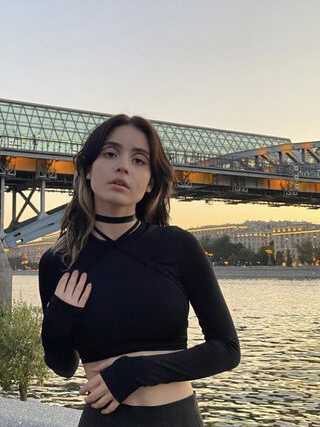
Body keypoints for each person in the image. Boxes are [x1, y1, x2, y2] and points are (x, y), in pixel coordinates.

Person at [39, 114, 241, 426]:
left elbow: (226, 349)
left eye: (138, 160)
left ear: (150, 183)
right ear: (88, 169)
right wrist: (57, 320)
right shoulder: (59, 261)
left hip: (176, 419)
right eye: (110, 153)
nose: (123, 166)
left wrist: (134, 372)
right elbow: (63, 366)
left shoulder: (178, 246)